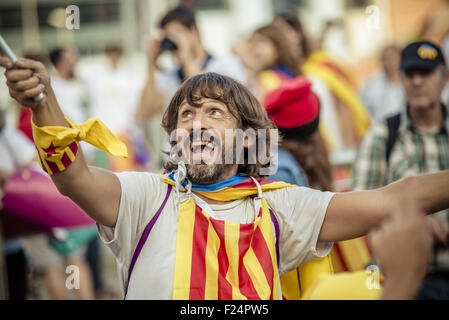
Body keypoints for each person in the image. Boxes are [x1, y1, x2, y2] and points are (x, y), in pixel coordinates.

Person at [2, 51, 449, 300]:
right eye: (187, 114)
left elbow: (396, 197)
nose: (196, 121)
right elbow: (73, 176)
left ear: (247, 137)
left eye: (215, 112)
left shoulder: (282, 205)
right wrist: (43, 101)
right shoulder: (146, 198)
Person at [353, 41, 449, 299]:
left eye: (425, 73)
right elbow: (360, 208)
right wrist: (411, 217)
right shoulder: (382, 135)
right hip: (400, 281)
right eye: (409, 73)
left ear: (445, 77)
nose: (417, 81)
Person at [136, 6, 246, 166]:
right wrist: (151, 64)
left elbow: (206, 98)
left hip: (212, 159)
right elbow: (145, 112)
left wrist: (186, 57)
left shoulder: (225, 65)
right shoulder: (170, 75)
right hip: (174, 161)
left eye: (177, 33)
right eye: (168, 36)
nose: (173, 40)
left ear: (194, 31)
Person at [0, 108, 35, 299]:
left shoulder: (8, 134)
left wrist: (14, 176)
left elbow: (30, 157)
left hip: (10, 210)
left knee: (15, 268)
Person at [360, 45, 406, 122]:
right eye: (384, 59)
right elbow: (363, 110)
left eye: (391, 58)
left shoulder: (409, 81)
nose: (388, 62)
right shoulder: (372, 85)